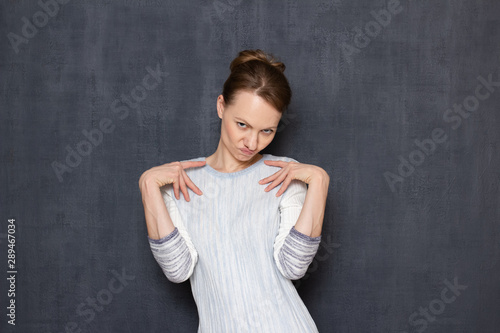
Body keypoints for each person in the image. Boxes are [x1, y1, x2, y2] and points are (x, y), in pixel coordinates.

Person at [138, 49, 330, 332]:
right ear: (220, 106)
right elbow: (178, 270)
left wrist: (320, 181)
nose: (252, 142)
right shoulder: (179, 183)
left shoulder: (285, 174)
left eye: (267, 131)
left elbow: (293, 266)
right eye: (242, 124)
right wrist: (148, 186)